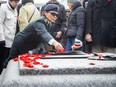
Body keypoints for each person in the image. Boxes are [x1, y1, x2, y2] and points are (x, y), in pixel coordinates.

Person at [0, 0, 20, 73]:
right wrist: (1, 38)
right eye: (15, 2)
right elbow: (0, 23)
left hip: (11, 40)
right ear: (10, 1)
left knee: (8, 60)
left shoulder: (15, 9)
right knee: (1, 60)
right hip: (3, 40)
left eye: (18, 2)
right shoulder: (3, 8)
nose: (17, 3)